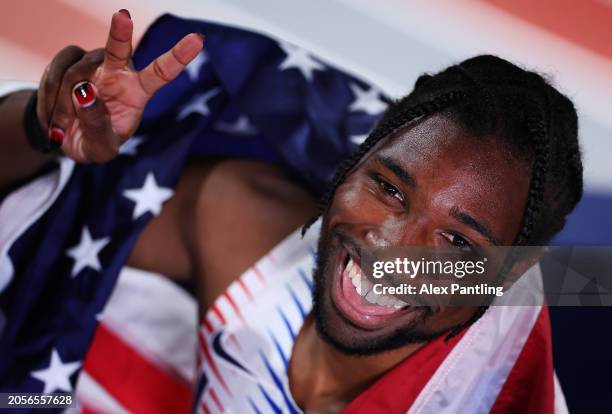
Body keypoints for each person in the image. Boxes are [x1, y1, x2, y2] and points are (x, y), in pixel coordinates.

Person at [0, 10, 582, 413]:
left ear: (504, 276)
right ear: (352, 162)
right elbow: (38, 235)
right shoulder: (242, 227)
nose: (392, 255)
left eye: (456, 245)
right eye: (390, 189)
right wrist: (41, 126)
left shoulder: (480, 397)